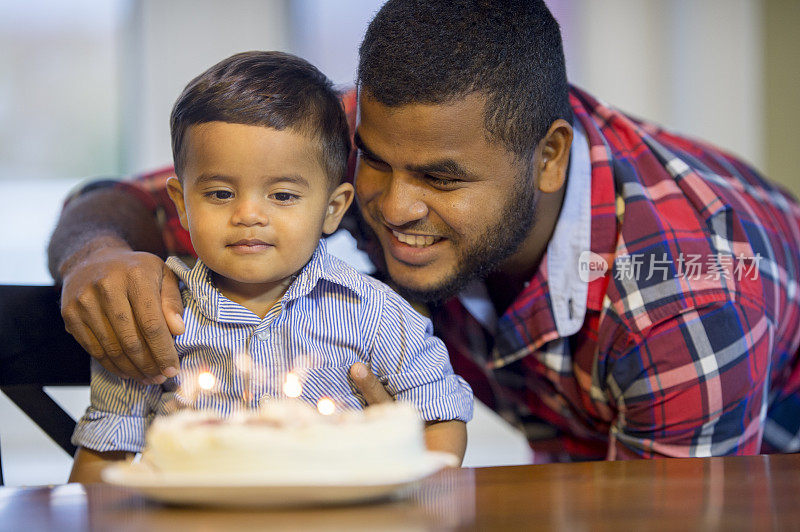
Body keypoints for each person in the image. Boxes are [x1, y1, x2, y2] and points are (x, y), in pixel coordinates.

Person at [51, 0, 800, 462]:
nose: (393, 207)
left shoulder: (684, 294)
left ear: (547, 157)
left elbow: (672, 515)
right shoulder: (387, 132)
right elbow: (129, 200)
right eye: (372, 160)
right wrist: (96, 254)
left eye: (441, 179)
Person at [67, 51, 473, 484]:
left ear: (334, 209)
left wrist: (420, 499)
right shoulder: (154, 318)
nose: (248, 214)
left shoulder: (376, 314)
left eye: (281, 196)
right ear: (182, 204)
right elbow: (106, 451)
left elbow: (439, 415)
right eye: (221, 194)